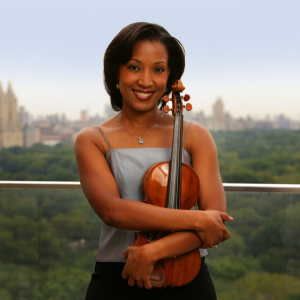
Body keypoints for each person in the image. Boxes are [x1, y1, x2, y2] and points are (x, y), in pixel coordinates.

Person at [74, 22, 233, 300]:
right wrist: (196, 219)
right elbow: (113, 211)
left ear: (170, 76)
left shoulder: (195, 136)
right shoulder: (92, 139)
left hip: (188, 277)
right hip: (116, 277)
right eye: (134, 67)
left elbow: (215, 223)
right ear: (116, 70)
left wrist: (153, 251)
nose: (146, 81)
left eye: (158, 69)